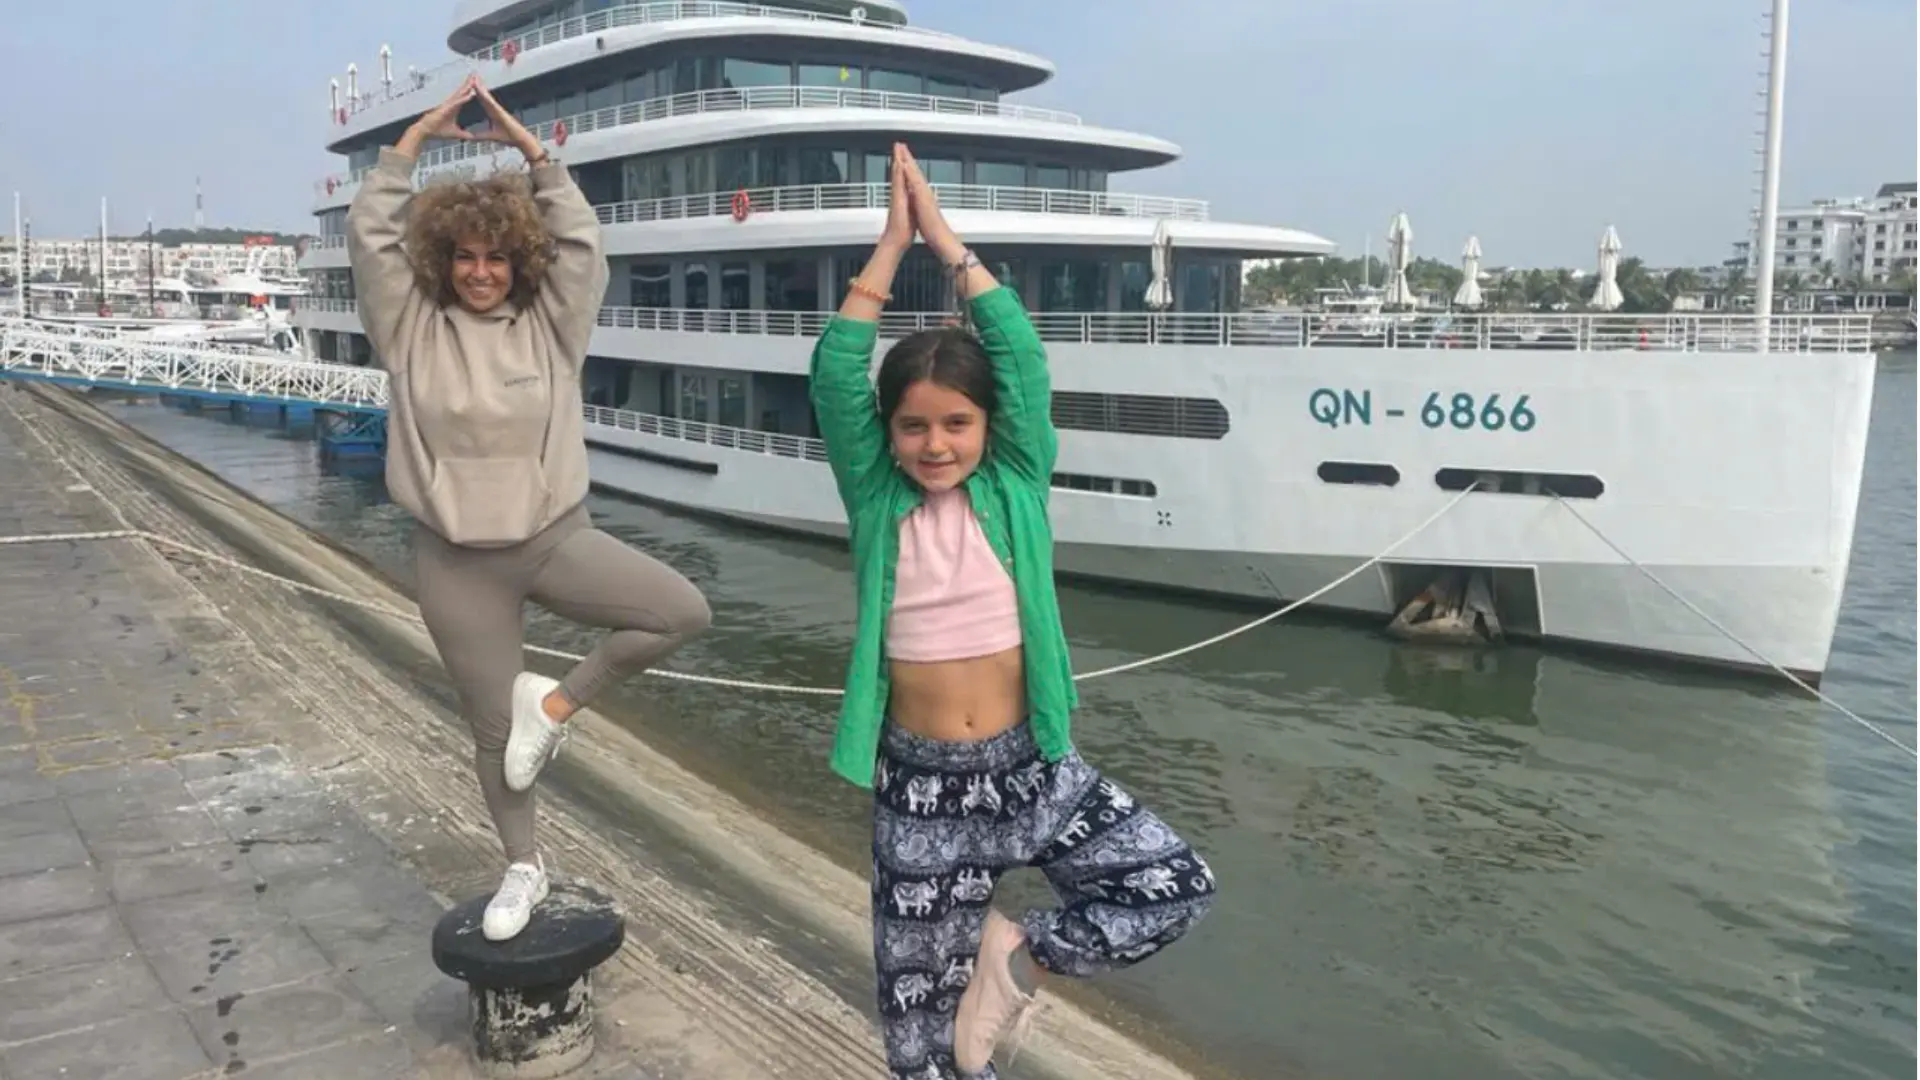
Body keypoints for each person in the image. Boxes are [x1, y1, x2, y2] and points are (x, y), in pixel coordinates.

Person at [808, 144, 1217, 1080]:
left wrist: (948, 243)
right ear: (889, 434)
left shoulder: (1019, 482)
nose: (936, 443)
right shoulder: (877, 494)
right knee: (921, 1048)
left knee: (1173, 887)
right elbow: (836, 378)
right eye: (914, 426)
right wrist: (888, 248)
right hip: (921, 792)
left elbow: (1021, 360)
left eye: (957, 424)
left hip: (1033, 767)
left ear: (990, 429)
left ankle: (1016, 961)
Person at [346, 75, 712, 941]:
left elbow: (584, 242)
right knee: (489, 736)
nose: (480, 273)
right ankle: (522, 866)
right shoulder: (409, 326)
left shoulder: (553, 327)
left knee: (678, 611)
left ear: (518, 259)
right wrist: (415, 140)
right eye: (465, 257)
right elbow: (370, 233)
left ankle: (552, 707)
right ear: (443, 260)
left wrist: (537, 157)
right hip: (451, 558)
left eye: (496, 257)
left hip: (555, 540)